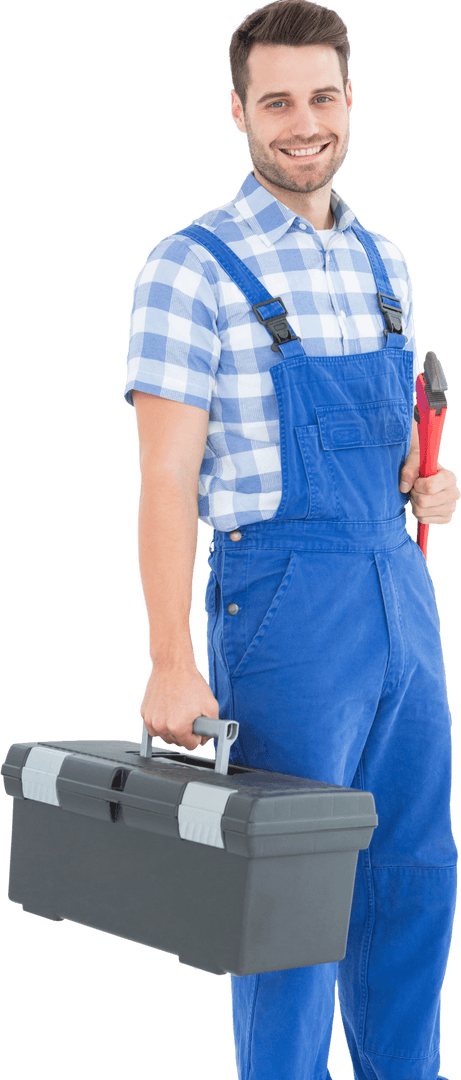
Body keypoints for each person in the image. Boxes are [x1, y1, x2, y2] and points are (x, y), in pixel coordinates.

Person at [123, 2, 459, 1077]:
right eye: (276, 102)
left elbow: (397, 451)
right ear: (238, 112)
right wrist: (170, 661)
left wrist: (428, 485)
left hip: (400, 596)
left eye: (321, 97)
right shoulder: (188, 269)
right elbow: (166, 477)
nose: (302, 123)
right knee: (288, 895)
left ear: (349, 101)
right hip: (283, 610)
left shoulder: (383, 263)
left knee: (412, 877)